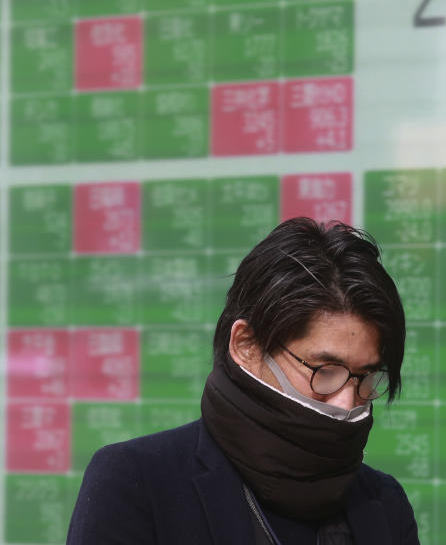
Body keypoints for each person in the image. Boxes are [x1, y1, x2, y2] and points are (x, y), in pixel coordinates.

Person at [67, 217, 419, 544]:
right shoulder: (138, 480)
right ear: (247, 345)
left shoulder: (383, 502)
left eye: (367, 378)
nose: (347, 403)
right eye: (325, 371)